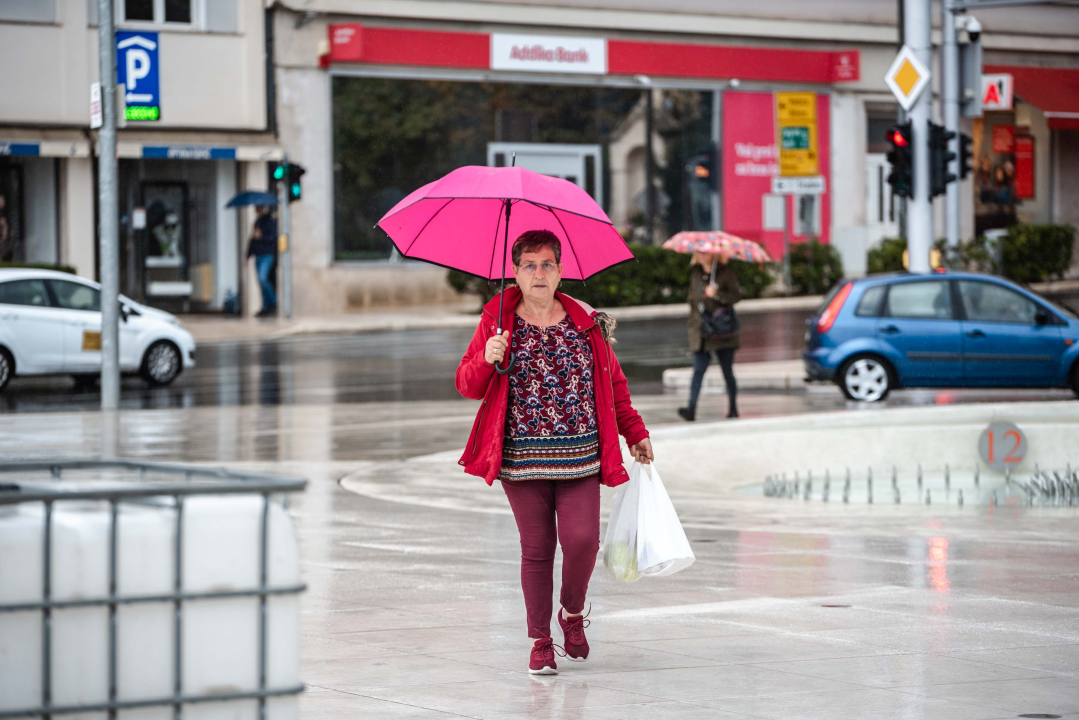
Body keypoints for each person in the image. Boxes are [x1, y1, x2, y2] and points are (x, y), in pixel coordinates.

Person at [456, 229, 653, 676]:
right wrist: (487, 356)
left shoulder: (585, 321)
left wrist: (634, 431)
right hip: (520, 460)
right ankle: (540, 640)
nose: (539, 273)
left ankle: (572, 614)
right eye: (529, 265)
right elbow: (466, 384)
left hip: (581, 456)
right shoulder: (497, 322)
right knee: (538, 547)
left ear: (561, 271)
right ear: (516, 273)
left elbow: (614, 384)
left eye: (547, 264)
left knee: (582, 541)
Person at [678, 252, 741, 421]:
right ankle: (691, 409)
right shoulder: (696, 273)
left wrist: (717, 295)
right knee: (698, 371)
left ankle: (733, 408)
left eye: (705, 251)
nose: (701, 255)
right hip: (702, 331)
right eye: (699, 251)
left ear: (714, 253)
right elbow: (693, 301)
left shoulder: (725, 272)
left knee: (727, 371)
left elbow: (736, 296)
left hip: (722, 331)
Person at [246, 205, 277, 317]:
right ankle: (265, 306)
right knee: (260, 282)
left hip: (267, 255)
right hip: (258, 255)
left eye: (258, 208)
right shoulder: (257, 222)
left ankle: (273, 302)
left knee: (262, 278)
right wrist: (247, 256)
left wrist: (261, 236)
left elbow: (273, 238)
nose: (257, 210)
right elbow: (252, 240)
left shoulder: (269, 221)